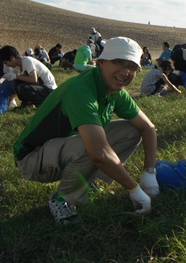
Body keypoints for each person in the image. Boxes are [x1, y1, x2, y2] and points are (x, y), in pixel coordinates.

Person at [12, 37, 160, 224]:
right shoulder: (81, 90)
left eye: (132, 67)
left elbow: (148, 127)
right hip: (31, 158)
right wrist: (134, 189)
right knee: (91, 146)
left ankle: (89, 181)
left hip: (62, 149)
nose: (125, 72)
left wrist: (149, 172)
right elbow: (98, 153)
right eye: (119, 62)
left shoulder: (116, 92)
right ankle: (62, 199)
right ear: (101, 63)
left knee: (131, 129)